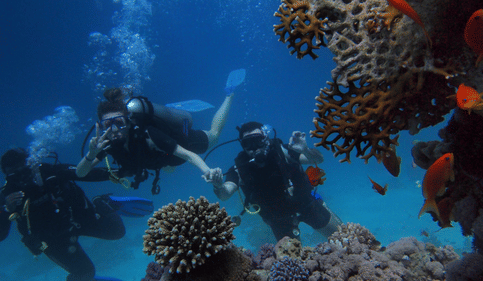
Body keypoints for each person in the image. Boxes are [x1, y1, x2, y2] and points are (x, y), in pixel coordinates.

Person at [0, 148, 152, 281]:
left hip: (78, 220)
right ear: (7, 175)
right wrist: (6, 209)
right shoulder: (6, 196)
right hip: (53, 240)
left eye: (24, 169)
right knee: (85, 273)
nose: (22, 176)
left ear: (31, 164)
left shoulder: (49, 172)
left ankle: (103, 202)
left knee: (117, 232)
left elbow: (83, 173)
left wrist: (120, 172)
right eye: (15, 174)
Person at [76, 87, 233, 192]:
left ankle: (229, 94)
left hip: (181, 141)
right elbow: (80, 173)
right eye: (107, 124)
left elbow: (188, 155)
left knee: (214, 135)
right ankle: (176, 114)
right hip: (164, 160)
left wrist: (207, 171)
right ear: (101, 126)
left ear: (128, 121)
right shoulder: (105, 144)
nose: (114, 129)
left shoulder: (149, 135)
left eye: (119, 122)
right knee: (169, 168)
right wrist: (91, 154)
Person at [210, 122, 343, 241]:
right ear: (242, 145)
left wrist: (305, 150)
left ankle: (321, 203)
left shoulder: (283, 152)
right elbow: (225, 194)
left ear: (266, 139)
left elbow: (318, 160)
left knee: (344, 238)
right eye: (248, 143)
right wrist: (218, 185)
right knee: (292, 263)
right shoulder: (239, 168)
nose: (254, 147)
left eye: (258, 140)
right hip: (278, 219)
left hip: (307, 205)